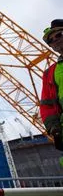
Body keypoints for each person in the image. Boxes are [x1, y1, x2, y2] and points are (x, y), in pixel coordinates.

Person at [40, 19, 63, 160]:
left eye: (59, 35)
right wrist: (54, 128)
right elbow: (47, 106)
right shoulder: (50, 73)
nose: (55, 41)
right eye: (51, 40)